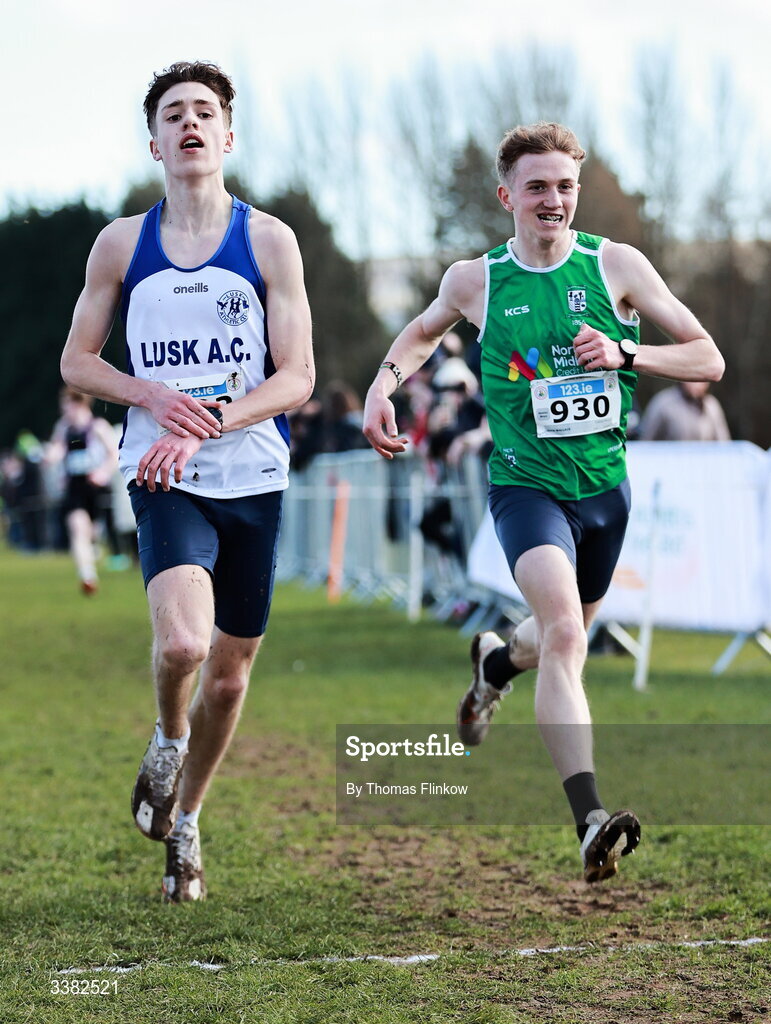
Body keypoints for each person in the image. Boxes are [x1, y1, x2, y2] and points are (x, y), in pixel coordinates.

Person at [363, 122, 724, 882]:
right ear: (507, 197)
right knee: (564, 635)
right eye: (536, 187)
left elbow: (706, 356)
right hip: (526, 490)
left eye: (563, 186)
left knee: (553, 640)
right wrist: (379, 389)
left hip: (604, 493)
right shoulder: (478, 280)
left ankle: (495, 662)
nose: (551, 200)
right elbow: (421, 334)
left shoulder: (614, 265)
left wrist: (627, 352)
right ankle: (590, 819)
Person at [61, 61, 314, 901]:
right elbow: (77, 360)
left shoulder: (268, 239)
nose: (191, 124)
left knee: (233, 676)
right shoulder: (120, 244)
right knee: (182, 646)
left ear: (228, 135)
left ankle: (190, 819)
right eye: (175, 114)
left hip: (251, 476)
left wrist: (212, 416)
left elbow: (297, 377)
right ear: (155, 141)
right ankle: (168, 738)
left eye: (206, 112)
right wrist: (152, 396)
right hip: (161, 472)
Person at [45, 388, 119, 593]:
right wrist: (50, 456)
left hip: (95, 487)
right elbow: (58, 448)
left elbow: (114, 454)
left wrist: (102, 472)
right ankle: (87, 576)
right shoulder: (63, 427)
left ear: (80, 403)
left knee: (92, 532)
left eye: (67, 403)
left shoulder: (98, 427)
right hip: (74, 487)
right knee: (78, 527)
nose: (64, 409)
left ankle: (93, 546)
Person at [638, 380, 730, 440]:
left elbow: (723, 444)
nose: (697, 384)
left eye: (702, 380)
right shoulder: (663, 403)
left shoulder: (711, 405)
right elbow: (645, 441)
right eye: (693, 379)